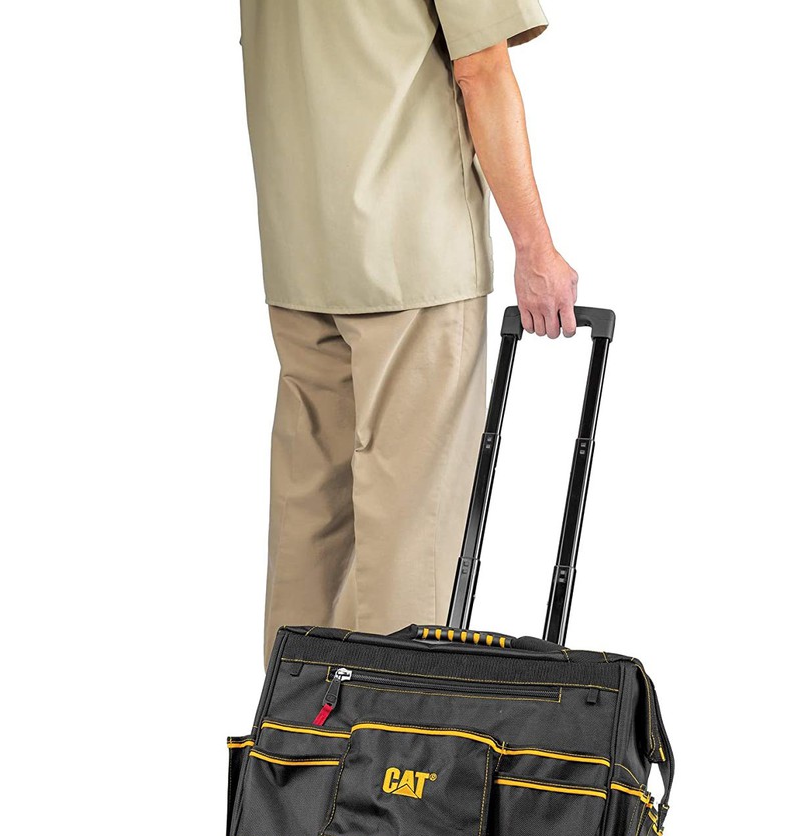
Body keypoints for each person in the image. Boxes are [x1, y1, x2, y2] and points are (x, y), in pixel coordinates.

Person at [240, 1, 578, 665]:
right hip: (413, 257)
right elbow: (482, 70)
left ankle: (296, 727)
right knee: (414, 533)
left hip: (301, 252)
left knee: (310, 530)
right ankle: (393, 726)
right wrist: (535, 247)